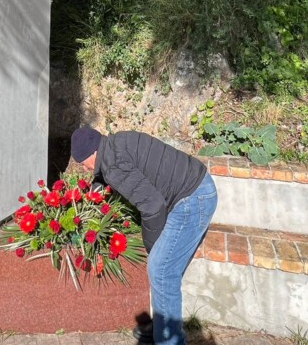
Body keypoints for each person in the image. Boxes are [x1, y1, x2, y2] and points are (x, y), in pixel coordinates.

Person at [71, 125, 218, 345]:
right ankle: (162, 328)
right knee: (162, 270)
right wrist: (96, 188)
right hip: (195, 185)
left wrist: (152, 246)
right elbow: (114, 168)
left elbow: (153, 206)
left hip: (192, 200)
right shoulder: (116, 143)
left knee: (161, 270)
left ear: (93, 152)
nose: (85, 169)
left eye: (84, 163)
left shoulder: (113, 166)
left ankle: (168, 340)